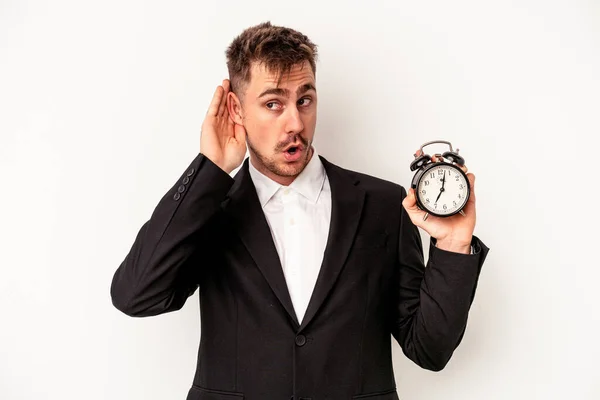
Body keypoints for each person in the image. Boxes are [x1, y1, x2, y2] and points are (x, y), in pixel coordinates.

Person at [110, 21, 490, 400]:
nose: (295, 123)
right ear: (236, 109)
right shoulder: (210, 206)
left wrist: (454, 246)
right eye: (273, 103)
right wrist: (211, 168)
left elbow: (429, 350)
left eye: (304, 100)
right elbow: (136, 295)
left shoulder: (384, 206)